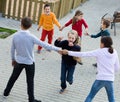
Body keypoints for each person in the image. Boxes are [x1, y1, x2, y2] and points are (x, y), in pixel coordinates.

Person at [3, 17, 61, 102]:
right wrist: (58, 49)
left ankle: (6, 93)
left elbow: (12, 49)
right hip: (29, 63)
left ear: (21, 24)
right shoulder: (31, 37)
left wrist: (13, 59)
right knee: (30, 81)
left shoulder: (15, 36)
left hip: (18, 61)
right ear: (30, 26)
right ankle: (31, 99)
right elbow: (44, 44)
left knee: (13, 77)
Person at [61, 36, 120, 102]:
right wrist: (110, 73)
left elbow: (84, 54)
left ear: (103, 44)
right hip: (110, 79)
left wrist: (69, 52)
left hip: (100, 79)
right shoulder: (114, 52)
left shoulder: (99, 51)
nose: (100, 44)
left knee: (90, 96)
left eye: (100, 43)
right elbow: (117, 68)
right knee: (111, 99)